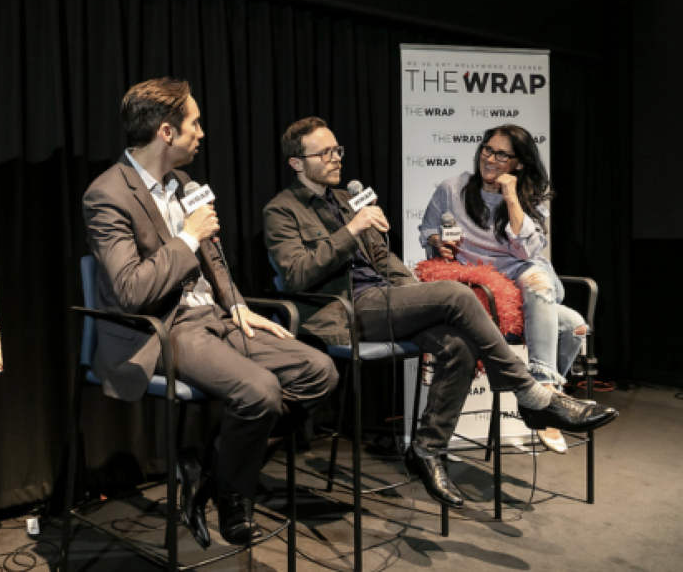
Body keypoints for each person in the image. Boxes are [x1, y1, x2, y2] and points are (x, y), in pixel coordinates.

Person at [263, 117, 617, 509]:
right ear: (297, 163)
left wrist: (413, 294)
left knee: (458, 344)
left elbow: (384, 259)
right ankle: (532, 393)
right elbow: (295, 275)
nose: (335, 158)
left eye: (337, 150)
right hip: (343, 311)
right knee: (456, 294)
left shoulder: (349, 199)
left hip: (385, 300)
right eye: (325, 153)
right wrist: (351, 231)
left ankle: (428, 449)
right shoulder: (281, 210)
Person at [83, 79, 338, 548]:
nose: (202, 133)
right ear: (166, 132)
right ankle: (234, 494)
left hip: (215, 317)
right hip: (163, 326)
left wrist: (237, 304)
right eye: (194, 124)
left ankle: (212, 468)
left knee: (318, 371)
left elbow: (214, 258)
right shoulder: (107, 194)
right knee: (260, 391)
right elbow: (130, 290)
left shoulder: (185, 185)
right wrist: (187, 238)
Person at [419, 124, 587, 453]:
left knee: (539, 283)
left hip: (520, 272)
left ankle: (541, 390)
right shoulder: (452, 189)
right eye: (487, 150)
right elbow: (427, 229)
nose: (490, 159)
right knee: (574, 325)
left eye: (501, 155)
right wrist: (438, 242)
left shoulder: (530, 197)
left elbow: (526, 253)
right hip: (485, 287)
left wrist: (511, 197)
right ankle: (542, 404)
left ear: (519, 163)